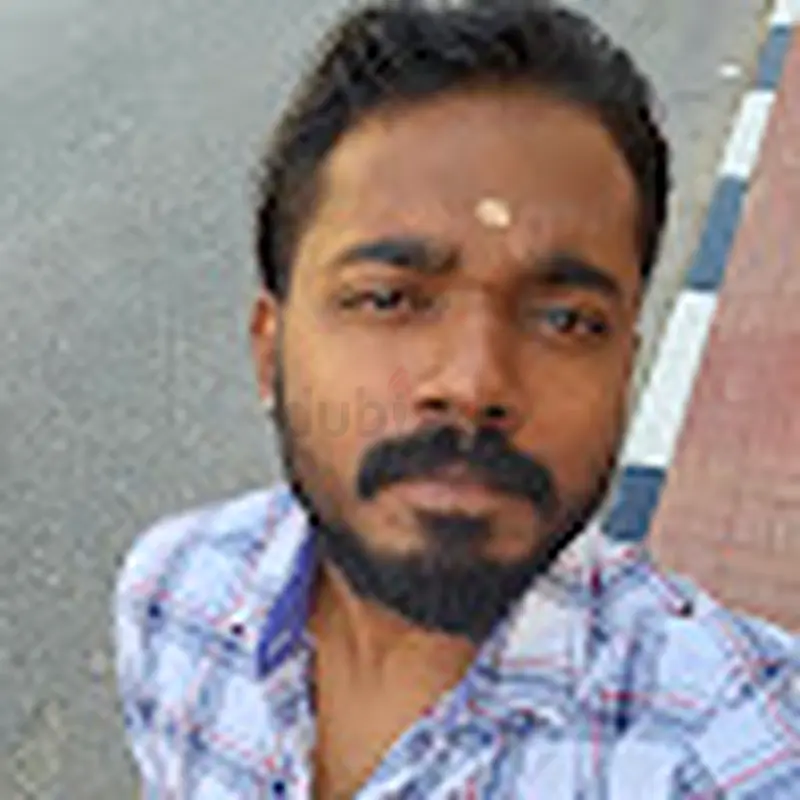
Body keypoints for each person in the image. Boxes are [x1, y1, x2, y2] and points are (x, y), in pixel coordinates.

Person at [114, 1, 800, 797]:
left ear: (626, 368)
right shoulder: (173, 601)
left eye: (566, 320)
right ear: (270, 350)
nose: (474, 387)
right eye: (387, 299)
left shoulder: (733, 752)